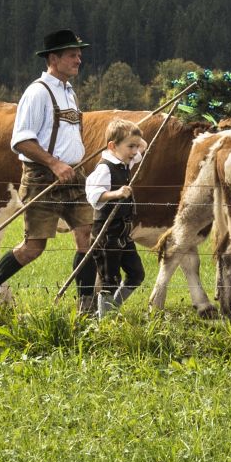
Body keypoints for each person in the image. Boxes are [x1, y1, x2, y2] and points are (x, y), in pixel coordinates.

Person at [0, 29, 100, 313]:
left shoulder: (69, 93)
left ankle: (85, 309)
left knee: (88, 236)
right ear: (54, 58)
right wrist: (54, 163)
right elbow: (21, 140)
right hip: (42, 177)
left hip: (74, 176)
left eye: (79, 54)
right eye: (72, 55)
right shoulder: (37, 92)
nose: (79, 59)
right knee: (33, 247)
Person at [85, 119, 147, 317]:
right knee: (109, 280)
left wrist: (134, 134)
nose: (135, 151)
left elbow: (143, 146)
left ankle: (110, 310)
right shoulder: (105, 168)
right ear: (112, 146)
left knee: (137, 274)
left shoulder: (124, 160)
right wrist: (116, 193)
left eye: (136, 146)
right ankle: (104, 321)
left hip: (123, 232)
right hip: (106, 233)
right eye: (131, 146)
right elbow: (94, 197)